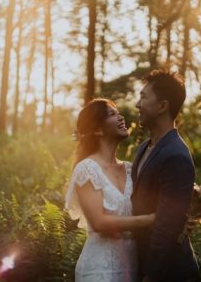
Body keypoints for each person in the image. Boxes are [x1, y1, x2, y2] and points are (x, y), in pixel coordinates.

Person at [65, 98, 155, 282]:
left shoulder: (131, 169)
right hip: (98, 270)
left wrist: (179, 220)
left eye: (118, 112)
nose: (121, 117)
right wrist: (150, 220)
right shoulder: (86, 169)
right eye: (112, 114)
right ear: (97, 129)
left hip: (130, 267)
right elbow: (99, 222)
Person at [131, 69, 199, 282]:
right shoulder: (144, 147)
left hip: (167, 272)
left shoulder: (176, 155)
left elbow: (166, 226)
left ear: (162, 106)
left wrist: (150, 275)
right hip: (141, 262)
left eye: (143, 97)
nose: (137, 104)